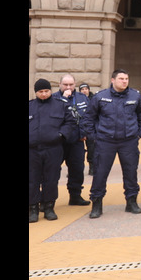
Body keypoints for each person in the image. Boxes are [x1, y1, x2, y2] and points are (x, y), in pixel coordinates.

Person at [82, 69, 141, 219]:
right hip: (106, 141)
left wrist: (138, 134)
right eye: (121, 79)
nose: (124, 81)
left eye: (126, 78)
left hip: (128, 142)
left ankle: (131, 202)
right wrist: (94, 137)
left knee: (131, 172)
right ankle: (97, 204)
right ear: (113, 80)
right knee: (100, 173)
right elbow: (88, 118)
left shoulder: (135, 96)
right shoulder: (100, 97)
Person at [30, 79, 78, 223]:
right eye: (40, 92)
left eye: (46, 91)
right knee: (32, 180)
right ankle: (33, 209)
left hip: (53, 149)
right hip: (32, 150)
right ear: (36, 92)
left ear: (51, 91)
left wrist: (61, 135)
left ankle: (49, 207)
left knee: (51, 179)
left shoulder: (61, 105)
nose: (44, 94)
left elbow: (70, 123)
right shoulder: (30, 106)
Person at [51, 74, 91, 207]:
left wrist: (85, 133)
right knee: (53, 170)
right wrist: (64, 99)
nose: (68, 87)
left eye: (71, 85)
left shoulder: (82, 98)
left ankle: (75, 196)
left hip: (77, 141)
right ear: (60, 85)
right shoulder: (54, 98)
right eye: (65, 85)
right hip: (58, 142)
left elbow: (89, 117)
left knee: (77, 169)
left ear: (75, 85)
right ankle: (48, 199)